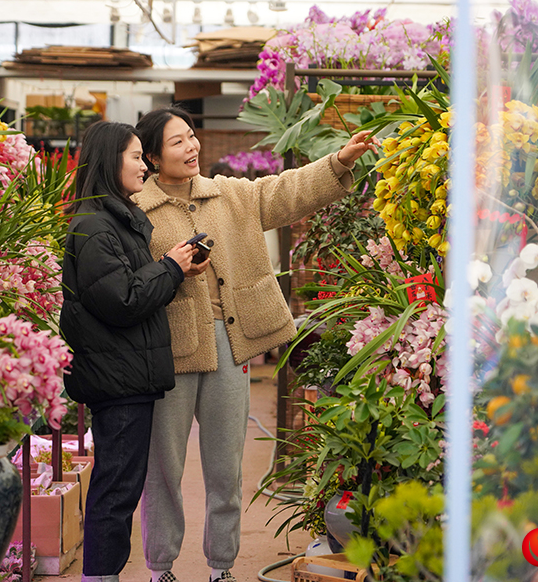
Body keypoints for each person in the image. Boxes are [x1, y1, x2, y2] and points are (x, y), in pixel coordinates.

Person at [132, 106, 376, 582]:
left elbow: (284, 191)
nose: (192, 147)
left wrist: (339, 162)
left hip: (229, 342)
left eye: (191, 136)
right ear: (154, 158)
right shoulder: (136, 211)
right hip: (169, 350)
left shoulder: (229, 194)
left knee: (226, 468)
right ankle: (161, 568)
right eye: (178, 142)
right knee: (163, 470)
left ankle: (221, 566)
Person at [60, 121, 197, 582]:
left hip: (126, 376)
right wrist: (171, 268)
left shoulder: (115, 219)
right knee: (116, 491)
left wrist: (173, 269)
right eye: (136, 156)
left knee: (119, 486)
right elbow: (123, 300)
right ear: (109, 162)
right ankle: (101, 576)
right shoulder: (96, 227)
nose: (144, 165)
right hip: (117, 380)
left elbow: (129, 288)